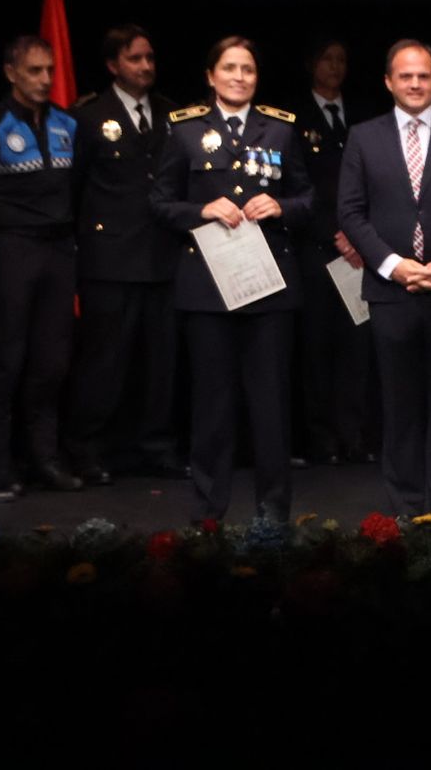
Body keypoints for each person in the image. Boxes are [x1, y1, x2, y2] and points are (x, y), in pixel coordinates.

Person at [151, 36, 313, 522]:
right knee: (212, 407)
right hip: (208, 287)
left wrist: (281, 205)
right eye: (229, 68)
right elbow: (159, 201)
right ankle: (209, 516)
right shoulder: (185, 129)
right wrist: (200, 210)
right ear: (210, 75)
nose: (239, 77)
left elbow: (308, 200)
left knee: (270, 407)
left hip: (268, 285)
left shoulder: (280, 129)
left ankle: (273, 516)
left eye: (248, 69)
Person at [338, 39, 431, 515]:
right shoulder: (363, 137)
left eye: (424, 75)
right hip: (391, 290)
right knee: (399, 403)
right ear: (388, 82)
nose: (415, 84)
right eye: (405, 76)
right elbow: (350, 211)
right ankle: (406, 508)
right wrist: (392, 264)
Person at [68, 24, 181, 484]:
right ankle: (87, 449)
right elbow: (73, 189)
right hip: (110, 259)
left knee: (161, 364)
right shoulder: (88, 117)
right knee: (104, 363)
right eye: (135, 58)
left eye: (150, 57)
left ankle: (156, 447)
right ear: (113, 65)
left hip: (163, 257)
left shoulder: (173, 113)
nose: (146, 66)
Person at [0, 35, 82, 496]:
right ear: (10, 73)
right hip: (11, 249)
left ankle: (45, 460)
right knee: (7, 360)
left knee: (52, 364)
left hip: (58, 251)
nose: (45, 79)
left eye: (49, 70)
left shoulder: (67, 123)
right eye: (35, 71)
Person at [290, 38, 378, 466]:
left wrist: (359, 235)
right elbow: (297, 186)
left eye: (342, 59)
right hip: (315, 248)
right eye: (327, 59)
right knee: (316, 345)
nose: (335, 66)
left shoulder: (363, 114)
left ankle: (353, 434)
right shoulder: (293, 118)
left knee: (357, 346)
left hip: (360, 251)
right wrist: (334, 233)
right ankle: (320, 437)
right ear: (311, 64)